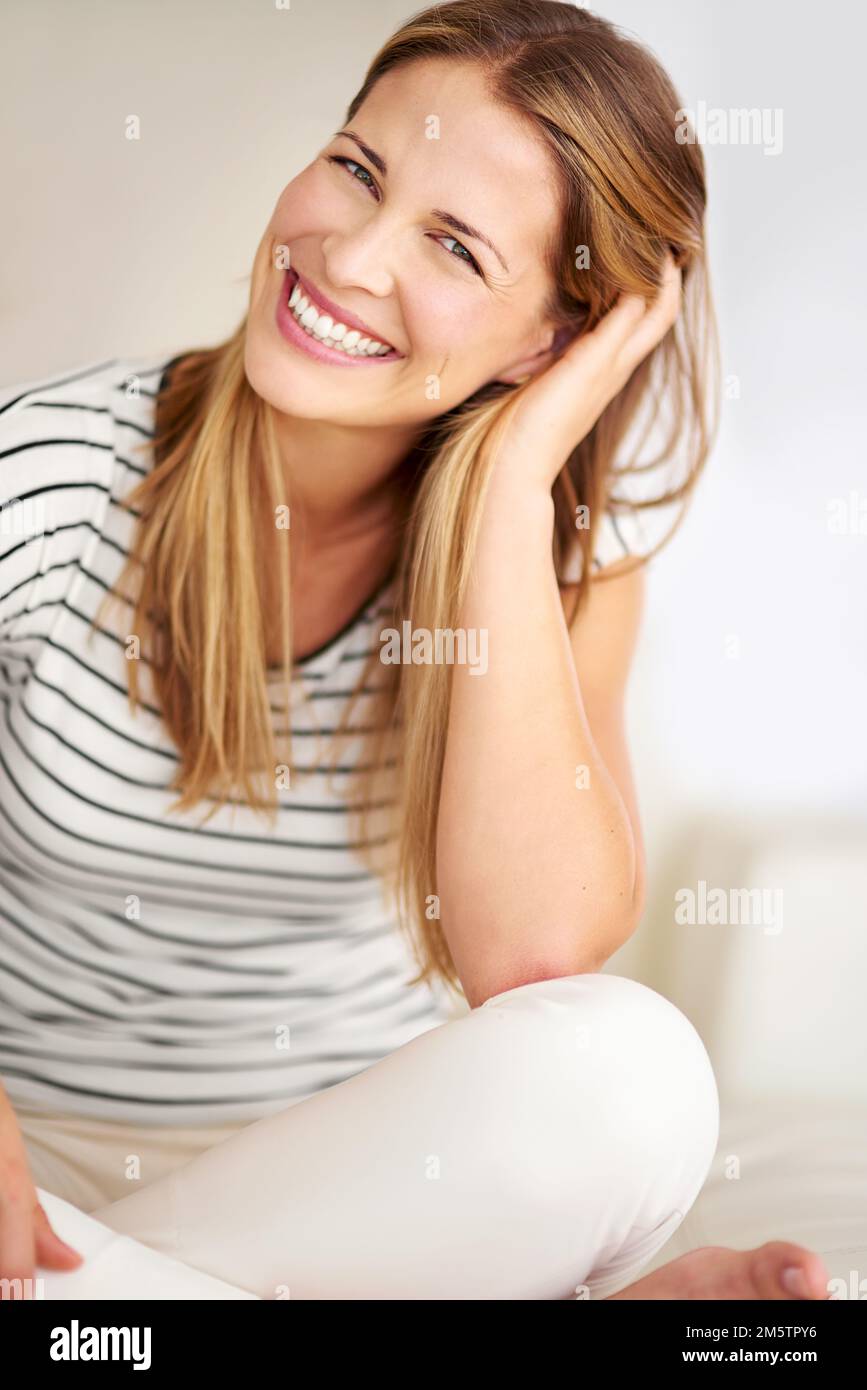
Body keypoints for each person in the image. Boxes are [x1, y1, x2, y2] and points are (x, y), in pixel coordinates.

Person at [0, 0, 829, 1299]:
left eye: (452, 244)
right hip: (25, 1159)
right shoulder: (49, 475)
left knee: (634, 1067)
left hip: (349, 1192)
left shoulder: (569, 567)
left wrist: (508, 493)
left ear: (558, 340)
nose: (349, 255)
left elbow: (533, 956)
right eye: (355, 167)